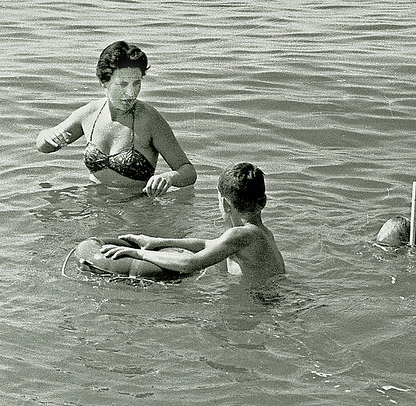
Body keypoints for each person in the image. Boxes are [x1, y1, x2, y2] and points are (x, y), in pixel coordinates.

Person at [35, 40, 196, 196]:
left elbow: (188, 171)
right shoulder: (89, 114)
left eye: (136, 83)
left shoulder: (149, 119)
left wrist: (169, 177)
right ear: (104, 81)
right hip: (92, 204)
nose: (131, 92)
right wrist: (48, 136)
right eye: (123, 84)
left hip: (136, 207)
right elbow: (44, 147)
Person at [99, 162, 285, 280]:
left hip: (262, 304)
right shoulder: (260, 232)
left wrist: (138, 254)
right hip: (271, 300)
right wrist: (158, 242)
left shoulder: (241, 234)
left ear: (225, 204)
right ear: (263, 201)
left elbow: (190, 263)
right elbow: (207, 244)